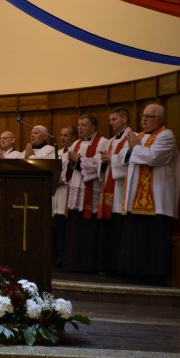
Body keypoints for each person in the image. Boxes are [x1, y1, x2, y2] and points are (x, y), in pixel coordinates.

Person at [117, 104, 180, 285]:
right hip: (134, 197)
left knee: (151, 238)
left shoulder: (166, 136)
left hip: (157, 199)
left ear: (160, 119)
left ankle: (152, 274)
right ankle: (133, 271)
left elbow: (153, 158)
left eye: (150, 116)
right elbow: (121, 158)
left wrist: (134, 148)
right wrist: (133, 149)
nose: (144, 119)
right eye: (144, 116)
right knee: (135, 237)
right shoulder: (137, 136)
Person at [65, 114, 108, 272]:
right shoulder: (76, 143)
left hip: (91, 189)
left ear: (93, 127)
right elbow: (69, 166)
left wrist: (79, 160)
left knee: (88, 230)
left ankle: (87, 265)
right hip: (76, 188)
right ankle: (73, 264)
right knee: (75, 228)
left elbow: (99, 165)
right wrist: (71, 164)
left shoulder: (103, 142)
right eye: (79, 125)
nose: (80, 128)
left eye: (84, 125)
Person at [96, 107, 131, 275]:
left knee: (119, 229)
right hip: (109, 188)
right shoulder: (110, 141)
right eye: (110, 120)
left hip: (122, 189)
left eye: (114, 119)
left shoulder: (132, 138)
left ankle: (119, 268)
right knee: (109, 230)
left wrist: (111, 159)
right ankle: (107, 266)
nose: (110, 123)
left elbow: (130, 163)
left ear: (125, 119)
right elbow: (102, 168)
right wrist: (103, 162)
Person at [53, 126, 77, 266]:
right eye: (61, 135)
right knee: (57, 223)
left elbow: (74, 170)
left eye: (66, 135)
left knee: (65, 224)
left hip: (67, 190)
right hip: (56, 192)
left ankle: (66, 257)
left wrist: (62, 180)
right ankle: (59, 256)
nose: (62, 138)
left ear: (74, 137)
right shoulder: (58, 152)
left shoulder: (75, 151)